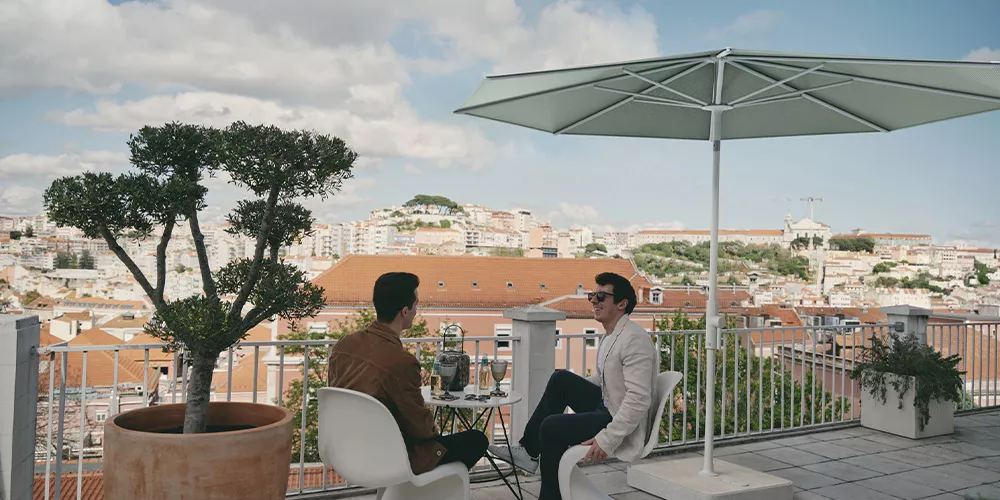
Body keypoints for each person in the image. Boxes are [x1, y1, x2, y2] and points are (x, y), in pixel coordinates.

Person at [489, 272, 658, 500]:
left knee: (552, 427)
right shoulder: (613, 335)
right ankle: (529, 452)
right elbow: (607, 380)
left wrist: (608, 438)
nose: (594, 300)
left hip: (618, 416)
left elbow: (638, 399)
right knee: (560, 379)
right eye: (592, 295)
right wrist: (574, 388)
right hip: (608, 404)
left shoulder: (634, 339)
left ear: (622, 304)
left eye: (601, 296)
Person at [328, 271, 488, 474]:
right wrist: (433, 432)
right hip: (390, 455)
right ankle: (427, 487)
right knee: (477, 439)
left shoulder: (344, 344)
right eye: (416, 304)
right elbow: (421, 427)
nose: (416, 310)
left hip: (346, 449)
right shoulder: (402, 362)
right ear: (405, 311)